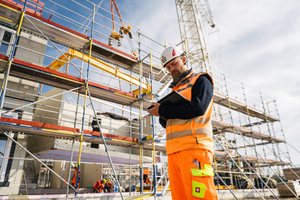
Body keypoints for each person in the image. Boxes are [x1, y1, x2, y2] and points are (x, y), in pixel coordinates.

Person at [147, 46, 217, 200]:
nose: (172, 69)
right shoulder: (175, 90)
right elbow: (169, 124)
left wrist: (164, 110)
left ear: (184, 59)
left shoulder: (201, 80)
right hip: (173, 152)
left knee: (200, 197)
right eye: (168, 67)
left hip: (195, 149)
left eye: (174, 63)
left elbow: (198, 107)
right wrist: (161, 113)